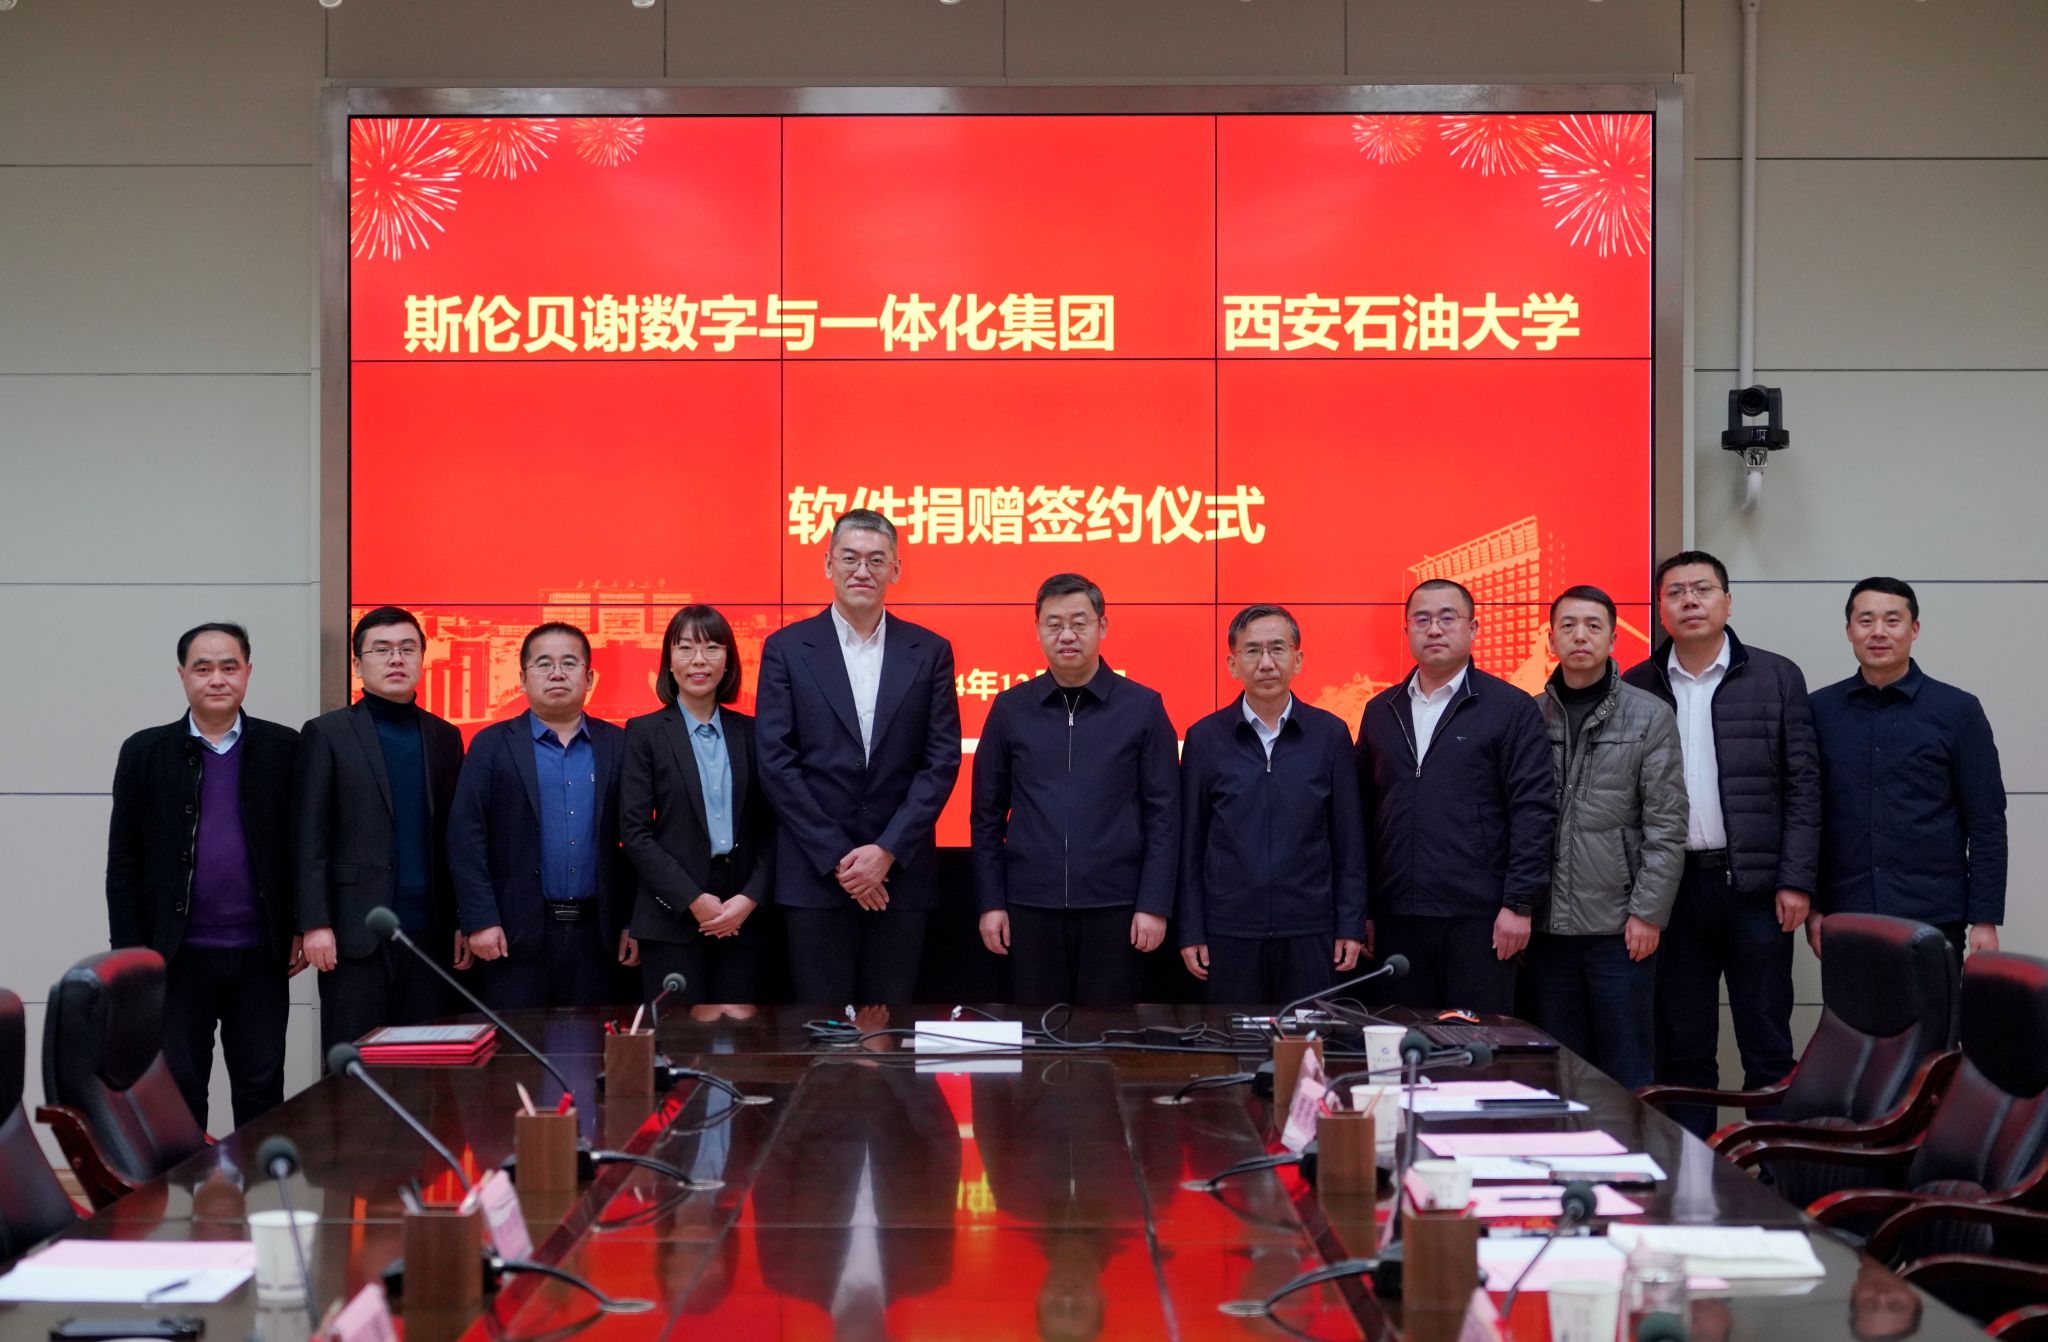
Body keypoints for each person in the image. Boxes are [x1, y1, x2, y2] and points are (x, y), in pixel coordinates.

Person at [1623, 551, 1820, 1137]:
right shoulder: (1636, 684)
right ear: (1660, 610)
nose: (1690, 600)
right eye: (1676, 592)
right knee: (1683, 1046)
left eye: (1702, 589)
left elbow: (1804, 786)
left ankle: (1774, 1173)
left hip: (1755, 891)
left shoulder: (1776, 676)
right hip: (1672, 893)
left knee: (1766, 1043)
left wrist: (1796, 879)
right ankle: (1694, 1171)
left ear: (1727, 602)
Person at [756, 509, 962, 1004]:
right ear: (828, 564)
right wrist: (840, 860)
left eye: (876, 560)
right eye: (849, 558)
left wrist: (886, 851)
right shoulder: (786, 649)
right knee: (823, 1029)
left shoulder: (930, 650)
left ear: (896, 569)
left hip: (901, 877)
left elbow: (940, 760)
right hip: (815, 877)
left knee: (890, 1027)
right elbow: (776, 762)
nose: (862, 571)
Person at [105, 622, 302, 1129]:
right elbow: (123, 865)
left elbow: (304, 846)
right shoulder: (144, 752)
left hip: (261, 955)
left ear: (248, 673)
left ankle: (258, 1183)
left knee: (261, 1089)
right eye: (203, 667)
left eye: (229, 667)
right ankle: (188, 1186)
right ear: (182, 676)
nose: (217, 679)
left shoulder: (284, 748)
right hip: (176, 957)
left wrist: (303, 924)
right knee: (180, 1092)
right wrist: (131, 958)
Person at [971, 573, 1178, 1005]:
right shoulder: (1010, 708)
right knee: (1036, 1033)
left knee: (1109, 1034)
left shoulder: (1142, 707)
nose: (1067, 635)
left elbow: (1164, 816)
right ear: (1037, 630)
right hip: (1029, 906)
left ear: (1102, 627)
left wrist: (1154, 903)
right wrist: (991, 902)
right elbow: (986, 816)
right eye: (1054, 624)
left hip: (1118, 907)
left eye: (1080, 623)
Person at [1354, 580, 1554, 1015]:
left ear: (1473, 628)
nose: (1434, 629)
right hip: (1397, 916)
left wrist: (1519, 904)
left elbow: (1533, 810)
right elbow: (1363, 815)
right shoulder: (1380, 711)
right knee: (1402, 1040)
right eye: (1422, 619)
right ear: (1407, 630)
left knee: (1476, 1044)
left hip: (1480, 917)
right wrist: (1363, 908)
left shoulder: (1510, 708)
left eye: (1448, 618)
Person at [1529, 586, 1687, 1088]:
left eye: (1594, 626)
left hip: (1620, 930)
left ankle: (1630, 1147)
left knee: (1627, 1071)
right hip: (1546, 931)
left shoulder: (1650, 715)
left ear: (1614, 638)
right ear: (1550, 639)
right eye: (1569, 625)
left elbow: (1667, 825)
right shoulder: (1529, 714)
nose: (1581, 636)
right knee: (1559, 1073)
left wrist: (1648, 913)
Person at [1177, 604, 1367, 1006]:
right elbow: (1190, 843)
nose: (1266, 663)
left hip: (1310, 929)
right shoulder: (1205, 738)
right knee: (1233, 1038)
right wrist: (1191, 928)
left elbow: (1349, 840)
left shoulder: (1330, 735)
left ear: (1298, 660)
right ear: (1233, 664)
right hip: (1229, 931)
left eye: (1277, 649)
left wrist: (1350, 923)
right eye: (1252, 651)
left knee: (1307, 1041)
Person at [1810, 576, 2006, 964]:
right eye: (1866, 621)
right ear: (1849, 631)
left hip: (1933, 913)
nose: (1878, 632)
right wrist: (1814, 905)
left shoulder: (1958, 711)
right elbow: (1807, 816)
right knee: (1852, 1008)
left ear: (1914, 628)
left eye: (1892, 620)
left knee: (1932, 1008)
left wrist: (1984, 919)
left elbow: (1986, 821)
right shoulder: (1819, 711)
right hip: (1847, 910)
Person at [297, 605, 467, 1055]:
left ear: (422, 658)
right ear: (358, 664)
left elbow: (454, 839)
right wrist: (314, 923)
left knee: (424, 1071)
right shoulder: (327, 734)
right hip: (354, 935)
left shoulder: (445, 736)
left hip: (428, 936)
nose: (396, 659)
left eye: (407, 649)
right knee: (355, 1069)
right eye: (382, 650)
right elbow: (309, 837)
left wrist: (460, 921)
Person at [447, 622, 635, 1011]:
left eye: (569, 663)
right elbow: (466, 837)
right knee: (517, 1043)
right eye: (544, 664)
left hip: (599, 937)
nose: (557, 673)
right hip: (512, 935)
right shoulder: (491, 745)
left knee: (594, 1043)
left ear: (589, 678)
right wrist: (480, 920)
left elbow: (637, 839)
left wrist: (634, 921)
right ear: (522, 679)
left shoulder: (619, 745)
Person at [621, 605, 777, 1005]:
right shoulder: (644, 733)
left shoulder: (753, 733)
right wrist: (692, 899)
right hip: (671, 914)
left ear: (728, 661)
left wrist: (749, 898)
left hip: (744, 915)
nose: (698, 660)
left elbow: (774, 825)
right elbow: (635, 833)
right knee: (678, 1035)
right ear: (669, 661)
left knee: (744, 1035)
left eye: (711, 648)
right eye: (685, 648)